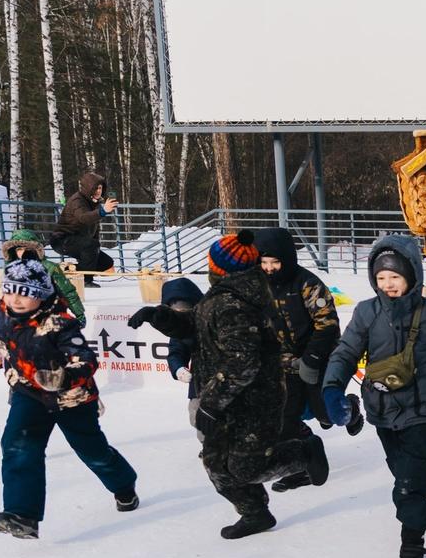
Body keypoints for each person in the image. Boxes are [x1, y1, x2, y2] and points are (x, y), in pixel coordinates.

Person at [128, 231, 328, 539]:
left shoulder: (236, 302)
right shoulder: (222, 296)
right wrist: (161, 316)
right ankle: (255, 513)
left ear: (217, 268)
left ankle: (304, 454)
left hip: (254, 400)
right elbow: (196, 322)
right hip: (227, 396)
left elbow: (243, 363)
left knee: (247, 466)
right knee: (216, 463)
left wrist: (210, 403)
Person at [321, 235, 426, 558]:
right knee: (403, 470)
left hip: (423, 409)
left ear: (411, 275)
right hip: (381, 408)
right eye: (381, 278)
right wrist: (333, 385)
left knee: (407, 484)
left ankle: (412, 542)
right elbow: (346, 352)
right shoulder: (367, 312)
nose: (388, 284)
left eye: (394, 277)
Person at [0, 260, 138, 539]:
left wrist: (63, 378)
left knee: (92, 450)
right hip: (28, 394)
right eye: (10, 291)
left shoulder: (59, 323)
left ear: (42, 294)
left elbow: (86, 360)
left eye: (26, 292)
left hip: (72, 399)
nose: (16, 299)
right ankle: (23, 515)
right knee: (17, 446)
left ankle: (124, 485)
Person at [253, 227, 361, 493]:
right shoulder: (256, 285)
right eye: (264, 262)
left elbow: (327, 324)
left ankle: (351, 409)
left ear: (287, 259)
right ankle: (302, 464)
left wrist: (312, 359)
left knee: (326, 412)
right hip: (282, 364)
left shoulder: (307, 283)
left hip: (316, 356)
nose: (269, 268)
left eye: (275, 262)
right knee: (284, 419)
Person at [0, 229, 85, 326]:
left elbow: (67, 291)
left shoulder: (49, 267)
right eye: (19, 249)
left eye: (26, 249)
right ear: (12, 251)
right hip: (14, 319)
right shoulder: (7, 270)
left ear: (34, 250)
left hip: (45, 316)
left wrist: (79, 314)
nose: (22, 252)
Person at [49, 171, 118, 287]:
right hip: (62, 239)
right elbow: (83, 218)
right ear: (88, 189)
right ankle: (86, 281)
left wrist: (96, 247)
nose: (98, 191)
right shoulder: (77, 200)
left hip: (80, 241)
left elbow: (94, 228)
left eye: (100, 188)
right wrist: (103, 211)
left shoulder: (93, 202)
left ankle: (68, 270)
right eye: (95, 188)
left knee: (106, 262)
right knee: (91, 245)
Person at [159, 277, 203, 431]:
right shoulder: (179, 328)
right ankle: (209, 449)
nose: (181, 317)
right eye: (175, 312)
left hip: (225, 381)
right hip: (200, 383)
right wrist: (178, 368)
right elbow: (176, 351)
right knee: (197, 417)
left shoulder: (212, 317)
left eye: (184, 311)